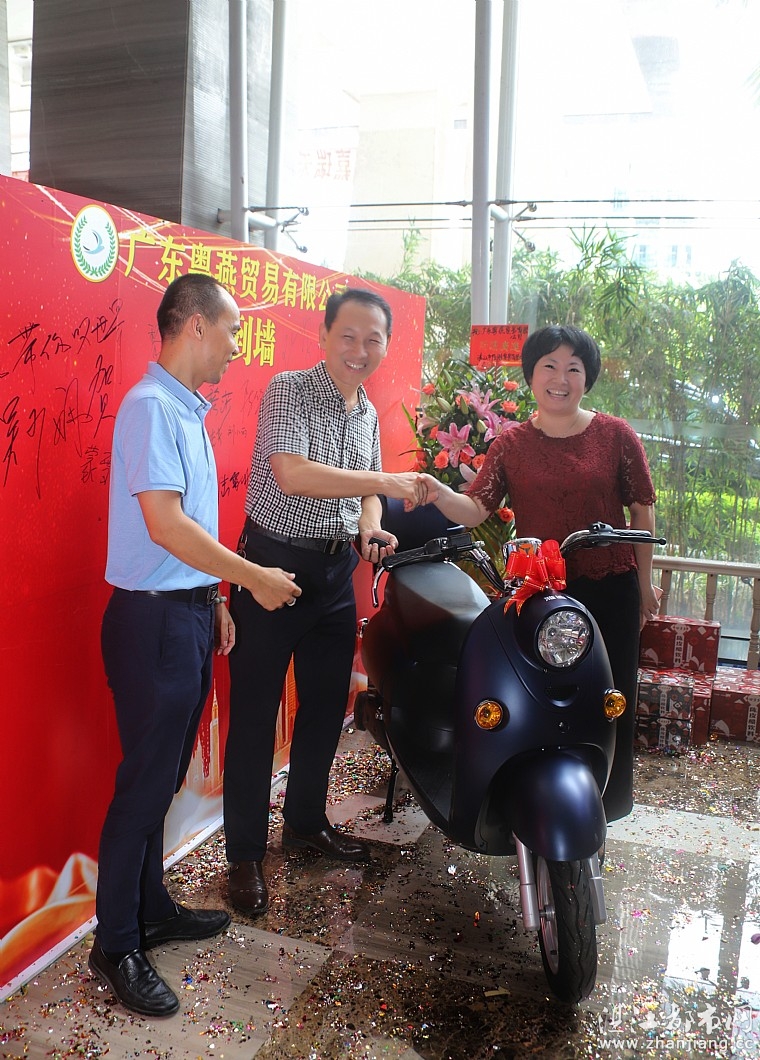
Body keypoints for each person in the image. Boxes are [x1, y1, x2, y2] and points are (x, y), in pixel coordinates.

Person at [89, 274, 300, 1019]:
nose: (238, 346)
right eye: (233, 329)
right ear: (194, 325)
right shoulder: (151, 407)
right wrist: (252, 578)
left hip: (183, 617)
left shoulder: (185, 410)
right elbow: (166, 525)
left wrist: (213, 601)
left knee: (163, 779)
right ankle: (115, 943)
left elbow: (190, 533)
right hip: (150, 625)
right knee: (143, 788)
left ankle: (150, 909)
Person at [223, 287, 429, 916]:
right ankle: (244, 856)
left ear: (385, 346)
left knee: (323, 708)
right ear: (324, 335)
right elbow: (292, 474)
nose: (360, 350)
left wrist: (370, 527)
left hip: (336, 575)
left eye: (373, 340)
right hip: (271, 567)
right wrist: (385, 481)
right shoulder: (289, 389)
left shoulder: (367, 412)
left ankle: (306, 823)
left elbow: (366, 494)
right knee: (255, 717)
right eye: (349, 336)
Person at [420, 324, 658, 822]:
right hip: (540, 595)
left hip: (610, 589)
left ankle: (604, 807)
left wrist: (642, 587)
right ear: (531, 375)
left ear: (587, 378)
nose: (560, 378)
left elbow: (642, 510)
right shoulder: (511, 444)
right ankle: (540, 806)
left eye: (574, 368)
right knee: (544, 699)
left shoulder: (616, 435)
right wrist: (437, 491)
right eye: (549, 366)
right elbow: (476, 508)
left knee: (610, 698)